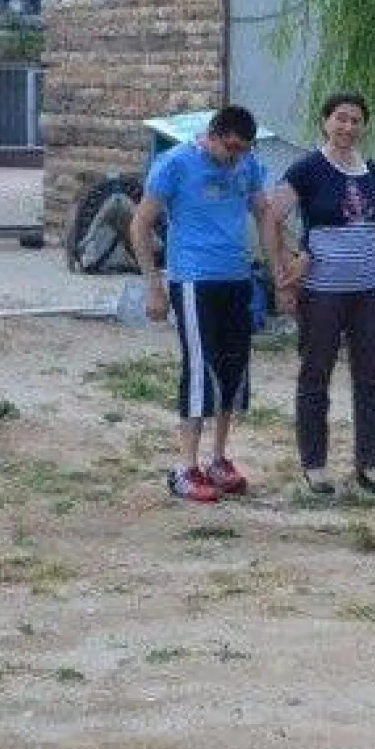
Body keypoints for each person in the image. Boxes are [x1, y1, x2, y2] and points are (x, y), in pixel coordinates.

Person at [129, 105, 286, 503]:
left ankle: (218, 458)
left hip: (236, 277)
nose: (235, 158)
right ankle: (185, 466)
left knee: (234, 370)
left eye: (244, 150)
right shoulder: (175, 164)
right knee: (201, 370)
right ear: (212, 135)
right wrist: (154, 286)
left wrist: (279, 269)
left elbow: (264, 213)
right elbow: (140, 223)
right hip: (194, 280)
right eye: (230, 149)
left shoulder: (247, 164)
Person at [273, 92, 375, 499]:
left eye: (356, 120)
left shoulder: (372, 171)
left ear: (364, 126)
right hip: (322, 292)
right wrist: (289, 268)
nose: (347, 127)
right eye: (340, 118)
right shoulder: (307, 169)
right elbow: (272, 217)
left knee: (371, 379)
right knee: (316, 374)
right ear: (325, 121)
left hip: (370, 291)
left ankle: (370, 463)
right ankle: (315, 464)